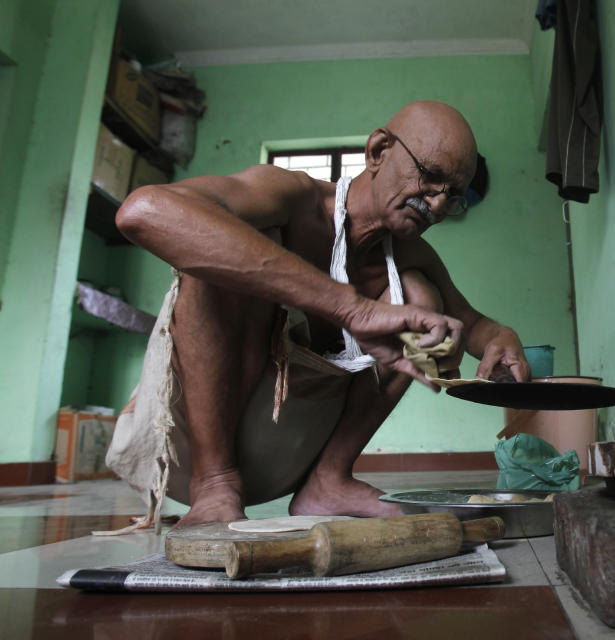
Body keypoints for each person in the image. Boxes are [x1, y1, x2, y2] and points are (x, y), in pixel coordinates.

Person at [105, 100, 530, 531]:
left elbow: (473, 324)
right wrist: (352, 308)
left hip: (287, 453)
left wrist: (500, 336)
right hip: (188, 447)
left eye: (454, 196)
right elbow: (142, 212)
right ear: (379, 151)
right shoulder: (292, 197)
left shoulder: (407, 256)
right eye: (431, 177)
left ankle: (328, 480)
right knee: (228, 243)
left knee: (420, 294)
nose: (438, 205)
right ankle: (214, 482)